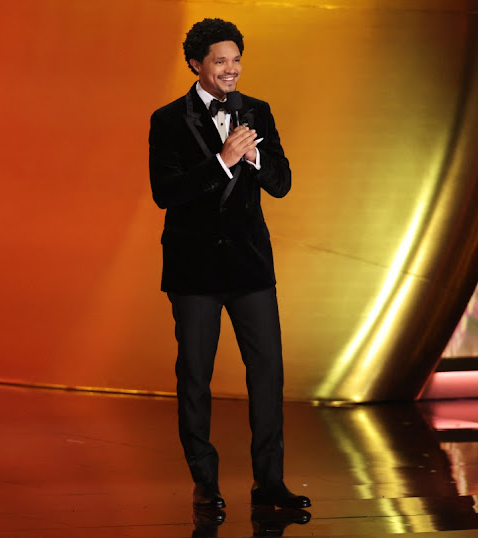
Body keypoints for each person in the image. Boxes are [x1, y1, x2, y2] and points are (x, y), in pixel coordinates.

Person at [148, 18, 310, 510]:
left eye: (236, 60)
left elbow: (280, 182)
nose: (231, 69)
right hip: (194, 268)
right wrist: (221, 160)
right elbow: (165, 193)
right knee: (195, 375)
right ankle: (206, 482)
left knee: (268, 373)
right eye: (221, 61)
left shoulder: (257, 112)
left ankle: (269, 483)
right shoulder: (168, 120)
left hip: (249, 266)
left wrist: (252, 158)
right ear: (196, 64)